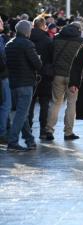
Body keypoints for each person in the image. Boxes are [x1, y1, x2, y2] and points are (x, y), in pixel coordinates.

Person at [43, 22, 83, 140]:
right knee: (71, 104)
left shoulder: (56, 38)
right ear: (78, 29)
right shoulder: (81, 41)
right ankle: (68, 132)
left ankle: (49, 130)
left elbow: (50, 56)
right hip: (73, 77)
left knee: (55, 102)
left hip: (57, 75)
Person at [4, 20, 43, 151]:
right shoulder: (27, 44)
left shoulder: (9, 44)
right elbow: (37, 64)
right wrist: (39, 60)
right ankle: (13, 142)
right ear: (27, 31)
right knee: (21, 114)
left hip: (13, 83)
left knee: (22, 113)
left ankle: (29, 140)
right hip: (25, 83)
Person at [28, 17, 53, 138]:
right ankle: (43, 130)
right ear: (43, 26)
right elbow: (51, 58)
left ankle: (28, 130)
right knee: (44, 104)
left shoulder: (28, 38)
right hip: (45, 76)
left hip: (30, 75)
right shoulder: (48, 40)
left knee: (30, 104)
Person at [0, 16, 11, 144]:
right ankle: (2, 133)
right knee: (5, 104)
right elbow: (3, 57)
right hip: (3, 76)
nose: (2, 23)